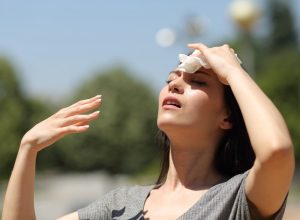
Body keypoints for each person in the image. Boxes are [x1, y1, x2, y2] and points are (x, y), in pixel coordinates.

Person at [2, 43, 295, 220]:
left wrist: (232, 70)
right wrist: (28, 149)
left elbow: (276, 151)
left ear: (227, 118)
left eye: (199, 82)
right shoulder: (120, 205)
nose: (175, 84)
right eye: (170, 79)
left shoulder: (238, 199)